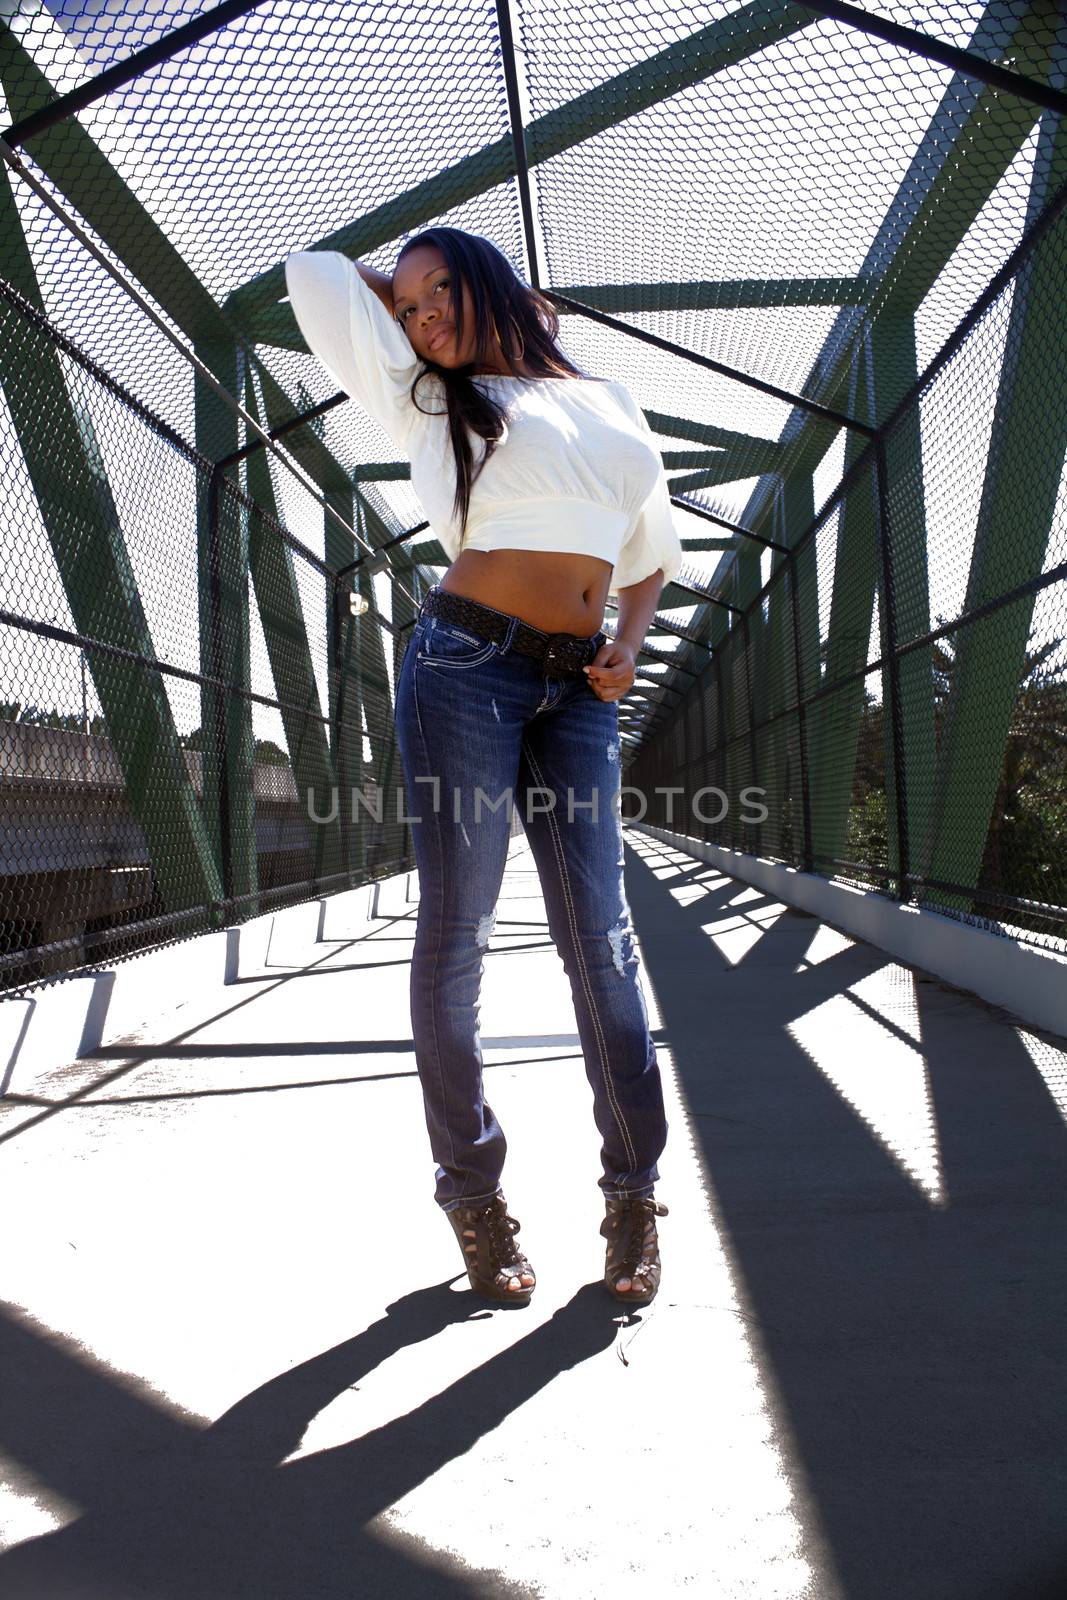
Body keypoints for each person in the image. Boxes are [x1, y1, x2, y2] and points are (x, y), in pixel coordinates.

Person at [285, 226, 683, 1308]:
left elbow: (648, 556)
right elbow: (311, 274)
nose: (421, 320)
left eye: (439, 295)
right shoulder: (424, 393)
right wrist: (410, 290)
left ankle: (632, 1198)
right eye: (407, 309)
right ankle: (474, 1199)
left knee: (597, 942)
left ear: (494, 282)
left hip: (578, 694)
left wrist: (628, 647)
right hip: (462, 665)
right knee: (455, 933)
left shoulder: (603, 402)